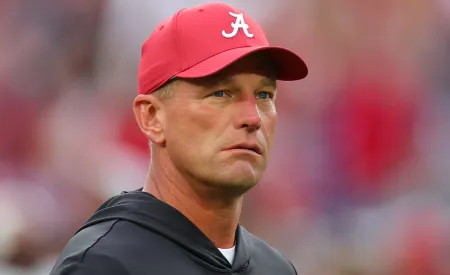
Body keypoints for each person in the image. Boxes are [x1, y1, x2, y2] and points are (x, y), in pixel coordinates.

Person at [49, 2, 308, 275]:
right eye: (220, 93)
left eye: (264, 95)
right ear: (152, 118)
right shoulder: (103, 264)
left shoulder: (276, 268)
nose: (252, 118)